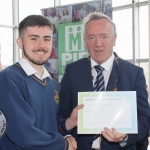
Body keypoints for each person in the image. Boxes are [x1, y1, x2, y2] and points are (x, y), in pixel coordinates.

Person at [57, 12, 150, 150]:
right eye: (92, 37)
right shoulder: (72, 71)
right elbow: (61, 115)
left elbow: (145, 119)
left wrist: (125, 137)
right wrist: (68, 128)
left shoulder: (134, 73)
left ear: (114, 39)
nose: (98, 43)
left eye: (104, 36)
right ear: (85, 41)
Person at [0, 15, 77, 150]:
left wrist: (67, 125)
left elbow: (49, 125)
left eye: (46, 39)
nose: (41, 45)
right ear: (20, 43)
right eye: (34, 39)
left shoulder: (52, 83)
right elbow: (25, 136)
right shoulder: (8, 79)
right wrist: (63, 144)